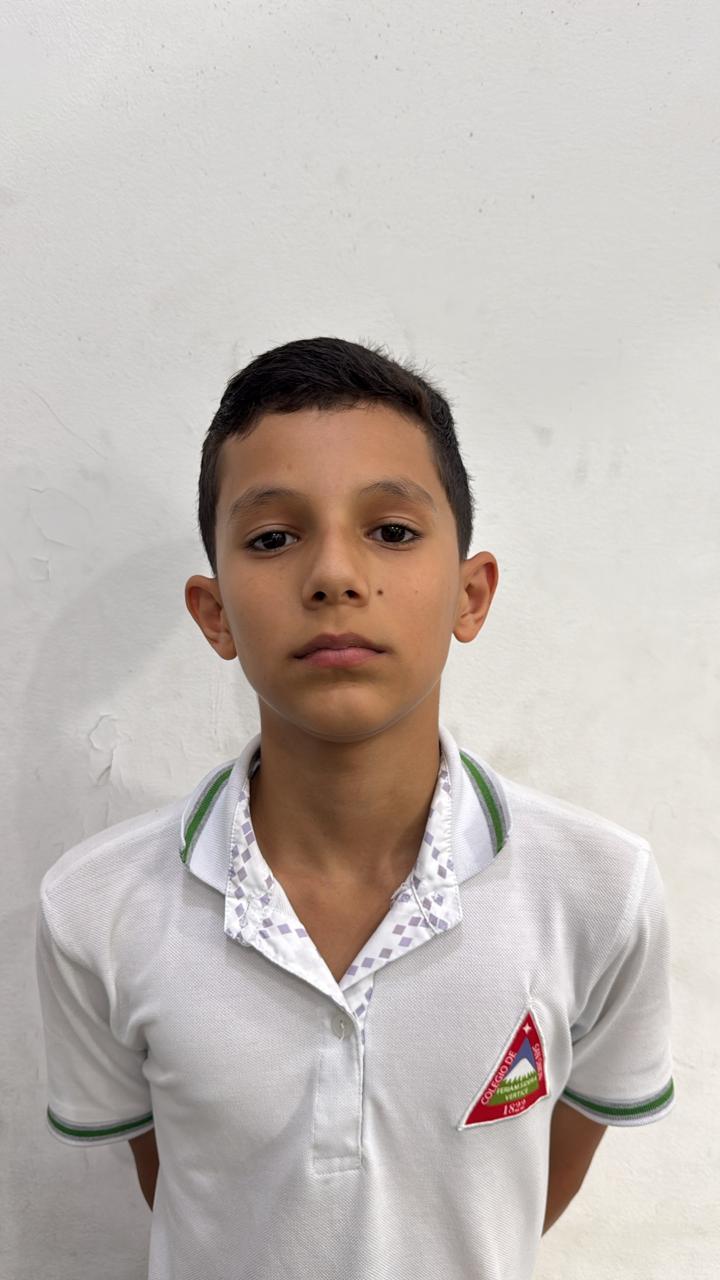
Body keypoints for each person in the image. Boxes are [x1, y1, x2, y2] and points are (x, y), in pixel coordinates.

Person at [35, 336, 676, 1280]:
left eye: (392, 531)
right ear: (215, 614)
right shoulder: (97, 908)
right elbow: (186, 1184)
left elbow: (532, 1181)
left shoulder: (600, 893)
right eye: (272, 538)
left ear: (470, 595)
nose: (335, 574)